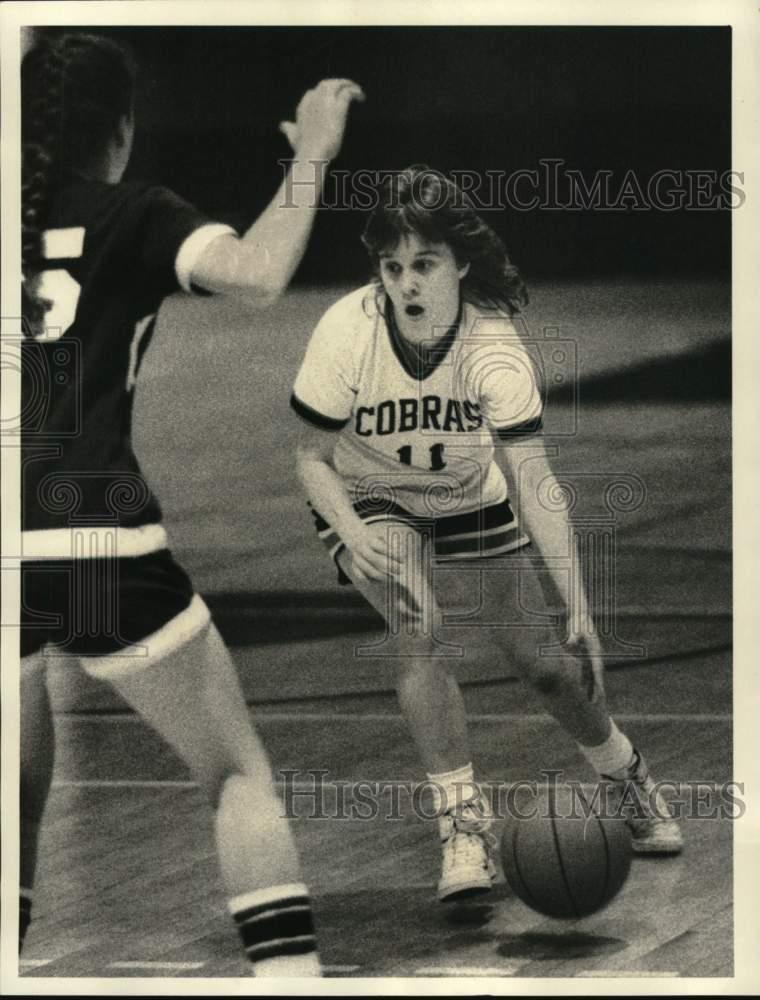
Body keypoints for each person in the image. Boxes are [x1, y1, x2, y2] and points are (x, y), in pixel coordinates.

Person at [19, 30, 363, 975]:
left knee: (12, 808)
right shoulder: (134, 212)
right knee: (237, 775)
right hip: (96, 536)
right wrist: (312, 154)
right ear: (121, 130)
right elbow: (257, 274)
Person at [291, 165, 683, 903]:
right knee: (419, 622)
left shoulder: (493, 346)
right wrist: (350, 527)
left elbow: (535, 481)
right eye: (392, 265)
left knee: (547, 667)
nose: (406, 283)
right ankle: (463, 827)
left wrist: (577, 603)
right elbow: (308, 456)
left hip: (470, 495)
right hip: (369, 496)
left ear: (460, 264)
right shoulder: (348, 330)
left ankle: (623, 770)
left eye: (424, 264)